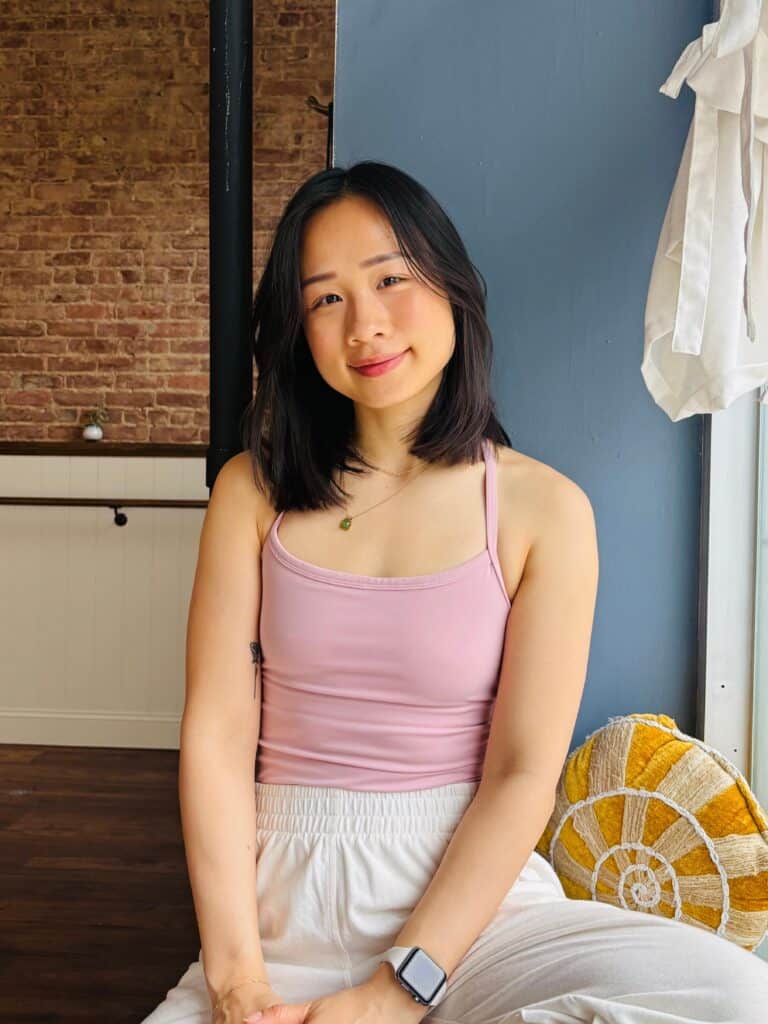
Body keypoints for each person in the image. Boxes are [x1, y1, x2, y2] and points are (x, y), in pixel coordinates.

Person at [141, 161, 768, 1024]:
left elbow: (519, 777)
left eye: (391, 278)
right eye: (325, 298)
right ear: (298, 330)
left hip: (474, 911)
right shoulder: (253, 493)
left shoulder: (544, 509)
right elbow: (214, 740)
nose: (365, 323)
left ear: (452, 286)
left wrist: (399, 991)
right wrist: (238, 977)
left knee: (736, 996)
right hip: (279, 902)